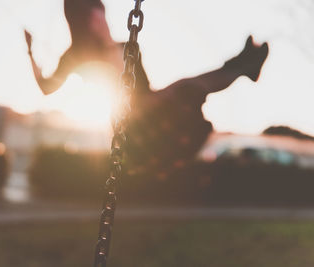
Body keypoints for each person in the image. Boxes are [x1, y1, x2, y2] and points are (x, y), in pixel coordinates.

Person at [25, 0, 269, 178]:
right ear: (84, 22)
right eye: (96, 14)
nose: (103, 19)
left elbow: (145, 88)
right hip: (131, 124)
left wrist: (158, 97)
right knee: (186, 87)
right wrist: (30, 51)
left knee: (188, 87)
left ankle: (242, 64)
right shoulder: (76, 56)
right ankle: (242, 66)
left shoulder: (126, 47)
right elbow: (46, 88)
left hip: (150, 108)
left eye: (102, 12)